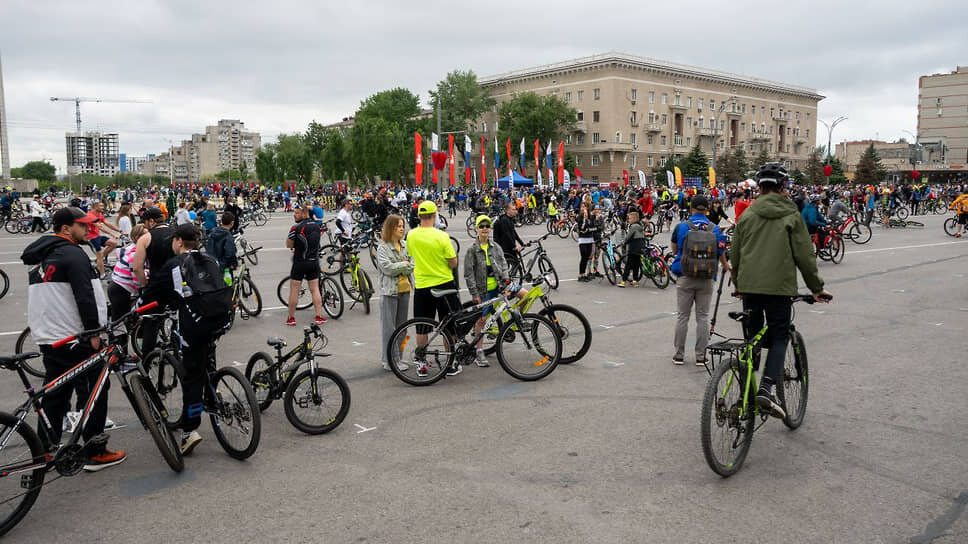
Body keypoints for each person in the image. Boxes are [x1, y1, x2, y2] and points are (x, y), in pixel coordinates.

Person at [21, 207, 126, 471]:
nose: (89, 229)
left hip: (50, 336)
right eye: (83, 225)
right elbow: (84, 296)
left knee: (55, 394)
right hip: (74, 336)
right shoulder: (73, 254)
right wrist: (93, 333)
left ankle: (45, 450)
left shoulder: (43, 254)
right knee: (96, 388)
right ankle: (95, 451)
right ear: (66, 228)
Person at [730, 163, 832, 418]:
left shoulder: (748, 215)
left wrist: (738, 283)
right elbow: (805, 256)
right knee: (779, 336)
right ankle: (766, 389)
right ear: (783, 187)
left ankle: (745, 393)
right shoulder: (791, 215)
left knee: (753, 339)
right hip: (779, 288)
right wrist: (816, 288)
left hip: (749, 287)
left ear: (759, 187)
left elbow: (736, 253)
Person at [152, 223, 232, 454]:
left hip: (194, 326)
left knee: (192, 378)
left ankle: (189, 431)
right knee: (208, 359)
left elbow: (154, 294)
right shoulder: (211, 259)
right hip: (219, 319)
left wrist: (140, 311)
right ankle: (214, 392)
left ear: (178, 241)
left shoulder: (174, 265)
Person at [668, 195, 730, 366]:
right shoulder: (714, 228)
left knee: (682, 317)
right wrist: (725, 265)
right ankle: (701, 356)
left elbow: (675, 250)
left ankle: (679, 355)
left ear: (691, 208)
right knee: (702, 317)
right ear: (707, 209)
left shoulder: (682, 226)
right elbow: (721, 252)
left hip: (685, 275)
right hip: (707, 277)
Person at [464, 215, 529, 367]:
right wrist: (474, 294)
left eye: (487, 226)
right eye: (481, 226)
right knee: (481, 321)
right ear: (476, 229)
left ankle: (515, 319)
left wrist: (506, 283)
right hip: (484, 290)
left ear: (490, 228)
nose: (484, 229)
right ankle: (479, 351)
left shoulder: (496, 247)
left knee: (526, 295)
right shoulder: (472, 250)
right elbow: (468, 274)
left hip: (501, 285)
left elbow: (504, 265)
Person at [405, 201, 460, 377]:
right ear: (435, 215)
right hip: (444, 283)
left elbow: (410, 255)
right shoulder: (442, 236)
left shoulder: (411, 235)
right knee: (448, 325)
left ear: (419, 216)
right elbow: (453, 262)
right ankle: (450, 363)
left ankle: (421, 363)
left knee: (422, 326)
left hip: (422, 285)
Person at [132, 207, 174, 356]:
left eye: (145, 223)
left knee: (151, 322)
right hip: (176, 283)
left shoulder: (146, 238)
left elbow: (137, 267)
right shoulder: (176, 234)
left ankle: (148, 358)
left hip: (157, 286)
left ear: (151, 221)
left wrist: (144, 285)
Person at [376, 214, 414, 372]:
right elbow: (387, 268)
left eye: (402, 226)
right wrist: (404, 264)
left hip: (405, 290)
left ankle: (399, 357)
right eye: (398, 226)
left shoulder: (405, 245)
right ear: (390, 228)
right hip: (389, 293)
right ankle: (389, 360)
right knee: (389, 329)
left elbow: (412, 265)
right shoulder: (383, 248)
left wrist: (401, 265)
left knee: (402, 328)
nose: (401, 229)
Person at [106, 223, 147, 349]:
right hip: (120, 289)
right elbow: (136, 273)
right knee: (120, 323)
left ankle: (119, 349)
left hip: (117, 286)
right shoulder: (135, 253)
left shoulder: (130, 248)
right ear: (137, 238)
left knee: (119, 320)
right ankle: (119, 353)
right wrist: (143, 284)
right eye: (146, 236)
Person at [285, 204, 326, 326]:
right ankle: (319, 316)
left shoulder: (296, 227)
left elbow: (289, 244)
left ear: (304, 213)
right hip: (313, 261)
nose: (294, 215)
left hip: (300, 262)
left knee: (294, 290)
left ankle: (291, 318)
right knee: (315, 289)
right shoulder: (317, 226)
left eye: (297, 213)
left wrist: (296, 244)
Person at [618, 211, 647, 287]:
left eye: (630, 218)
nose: (628, 220)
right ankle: (635, 281)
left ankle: (623, 281)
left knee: (628, 264)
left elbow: (628, 237)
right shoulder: (640, 225)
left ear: (634, 219)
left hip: (634, 246)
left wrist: (623, 243)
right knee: (636, 264)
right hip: (641, 245)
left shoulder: (633, 226)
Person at [493, 201, 525, 269]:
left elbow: (514, 233)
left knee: (515, 266)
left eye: (515, 209)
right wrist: (514, 246)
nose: (515, 211)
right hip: (504, 248)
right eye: (513, 210)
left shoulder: (509, 219)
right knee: (513, 266)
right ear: (507, 211)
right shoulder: (504, 220)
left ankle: (511, 274)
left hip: (509, 247)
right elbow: (507, 235)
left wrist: (522, 243)